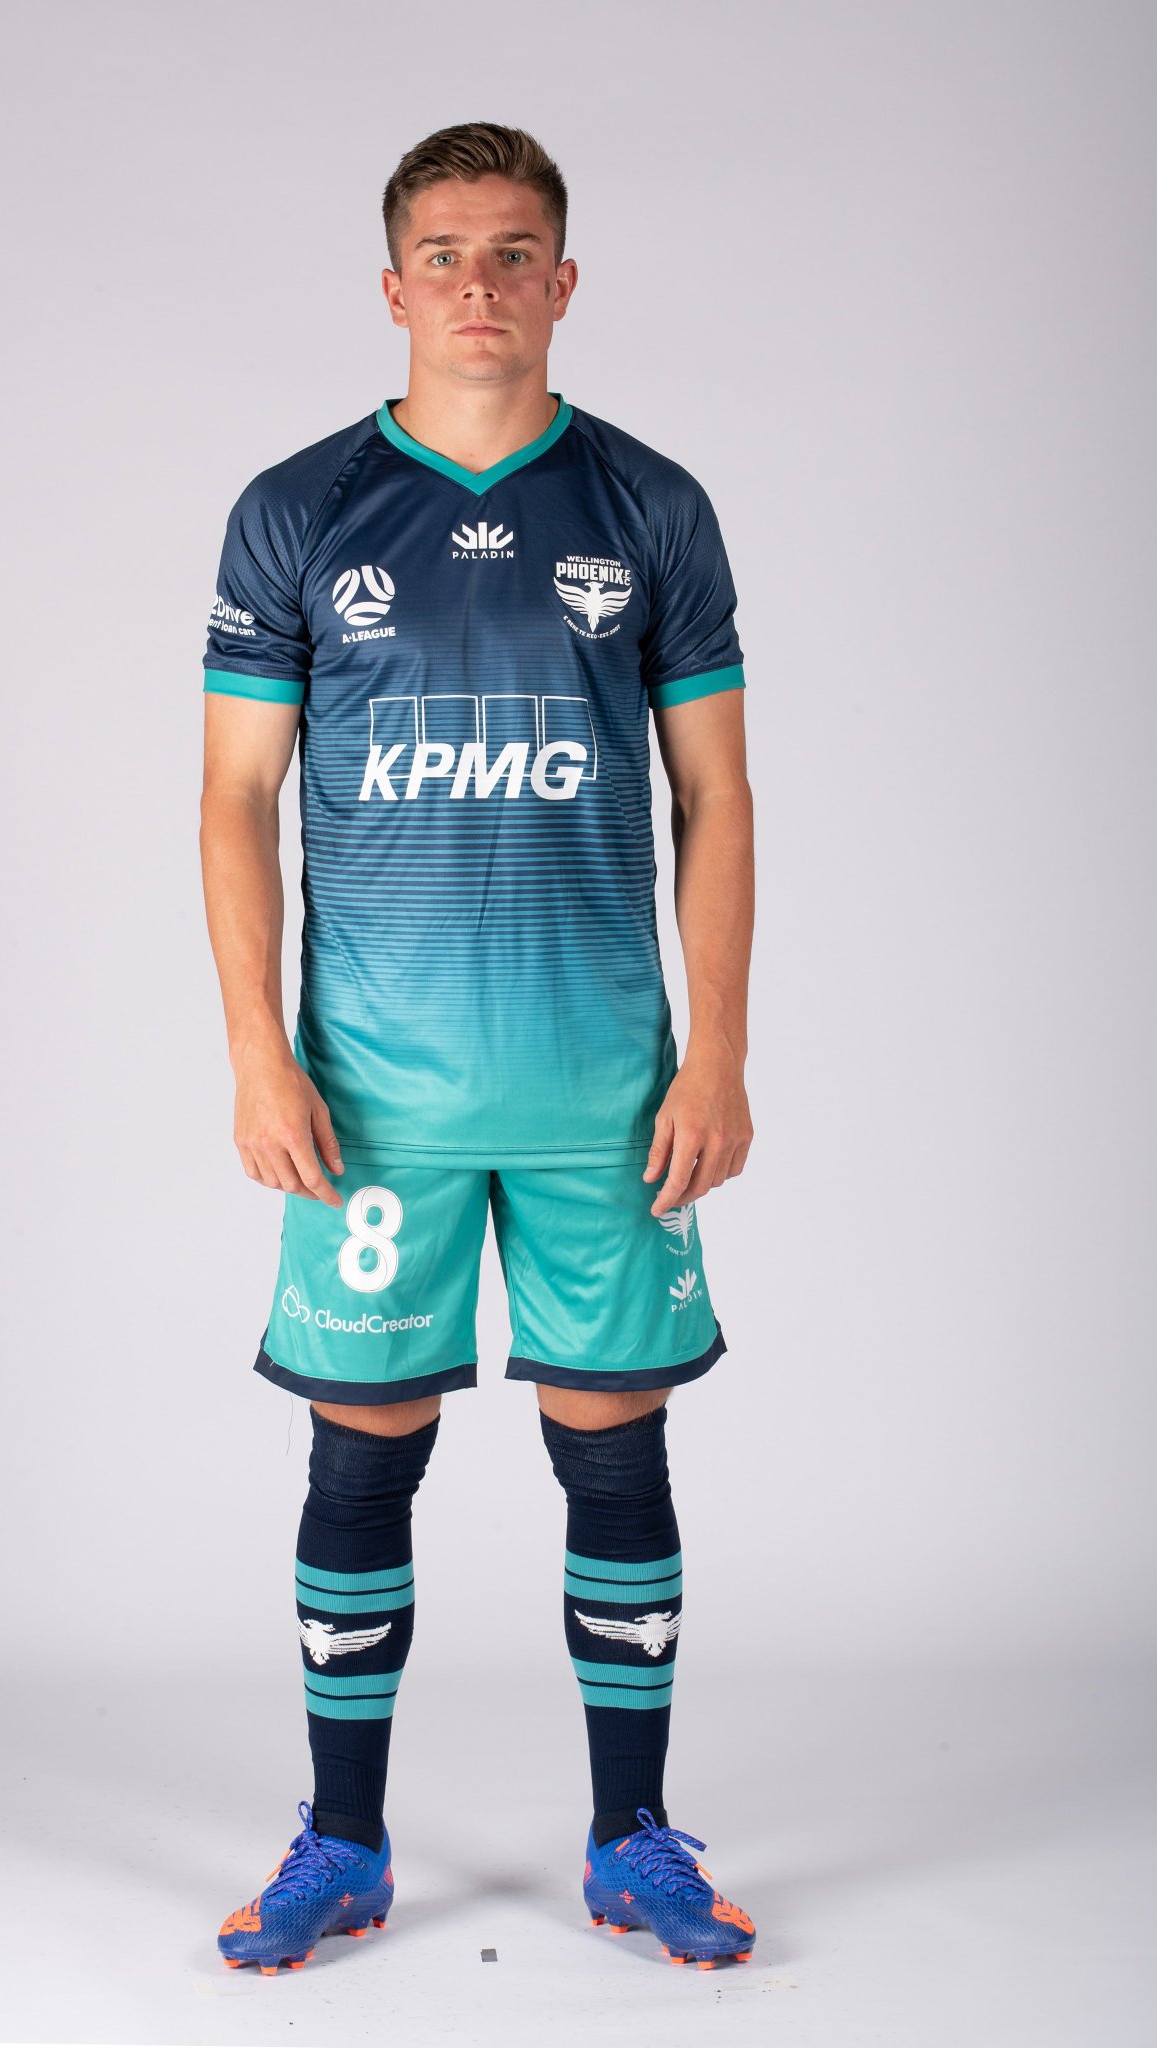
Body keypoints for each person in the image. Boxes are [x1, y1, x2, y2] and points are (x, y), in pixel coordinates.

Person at [199, 121, 756, 1976]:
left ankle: (633, 1839)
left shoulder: (650, 504)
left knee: (616, 1445)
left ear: (564, 282)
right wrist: (257, 1053)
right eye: (442, 254)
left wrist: (716, 1054)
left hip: (606, 1090)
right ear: (391, 287)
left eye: (514, 252)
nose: (478, 285)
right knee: (362, 1451)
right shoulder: (297, 509)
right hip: (373, 1099)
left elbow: (716, 795)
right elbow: (232, 799)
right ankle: (341, 1844)